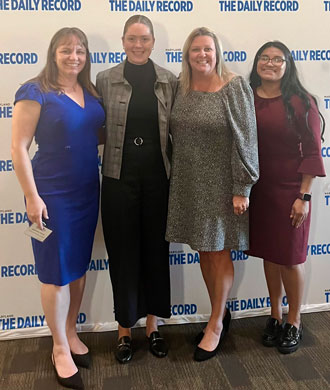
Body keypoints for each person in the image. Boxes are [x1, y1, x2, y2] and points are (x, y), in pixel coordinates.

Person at [11, 27, 105, 389]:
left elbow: (95, 134)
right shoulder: (35, 91)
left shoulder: (90, 91)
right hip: (49, 195)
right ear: (54, 53)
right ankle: (59, 347)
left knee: (78, 267)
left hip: (86, 191)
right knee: (55, 271)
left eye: (80, 51)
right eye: (67, 50)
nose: (74, 57)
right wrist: (32, 198)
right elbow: (19, 148)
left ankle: (70, 329)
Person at [166, 27, 259, 362]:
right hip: (190, 184)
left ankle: (216, 323)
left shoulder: (234, 87)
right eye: (195, 50)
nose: (202, 55)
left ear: (217, 52)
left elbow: (246, 140)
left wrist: (242, 188)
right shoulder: (182, 86)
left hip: (223, 187)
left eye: (207, 49)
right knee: (205, 252)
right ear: (187, 54)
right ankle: (217, 314)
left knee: (219, 253)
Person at [96, 15, 177, 363]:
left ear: (154, 42)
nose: (138, 45)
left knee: (156, 252)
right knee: (123, 253)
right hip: (117, 178)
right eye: (132, 39)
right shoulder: (105, 79)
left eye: (144, 39)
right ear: (123, 40)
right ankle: (125, 329)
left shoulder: (169, 80)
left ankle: (153, 327)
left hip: (159, 178)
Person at [247, 41, 325, 354]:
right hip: (260, 190)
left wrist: (303, 196)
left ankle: (294, 321)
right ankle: (275, 315)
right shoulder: (247, 98)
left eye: (277, 58)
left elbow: (311, 150)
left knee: (291, 259)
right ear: (256, 63)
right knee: (270, 254)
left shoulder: (302, 101)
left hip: (291, 190)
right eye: (263, 57)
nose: (270, 63)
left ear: (287, 64)